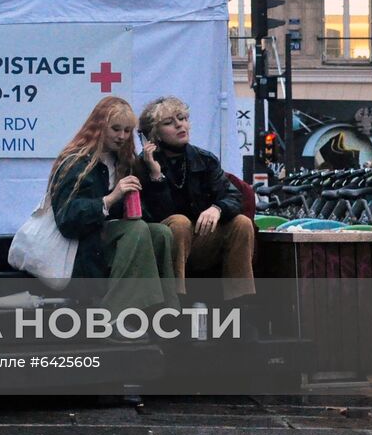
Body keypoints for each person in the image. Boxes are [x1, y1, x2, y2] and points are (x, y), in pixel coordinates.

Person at [49, 96, 177, 317]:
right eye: (116, 129)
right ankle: (115, 314)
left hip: (114, 241)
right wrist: (111, 198)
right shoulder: (75, 161)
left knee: (161, 232)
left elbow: (152, 215)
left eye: (127, 131)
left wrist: (155, 176)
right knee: (136, 230)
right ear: (99, 127)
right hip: (84, 249)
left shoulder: (125, 162)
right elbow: (67, 219)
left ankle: (164, 311)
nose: (122, 136)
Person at [137, 96, 255, 301]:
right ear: (154, 136)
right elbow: (154, 215)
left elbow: (234, 196)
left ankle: (241, 304)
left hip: (201, 239)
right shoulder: (142, 165)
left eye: (182, 118)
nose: (180, 125)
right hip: (163, 242)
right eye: (169, 122)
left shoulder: (204, 159)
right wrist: (156, 176)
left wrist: (217, 208)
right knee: (180, 223)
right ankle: (176, 303)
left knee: (241, 223)